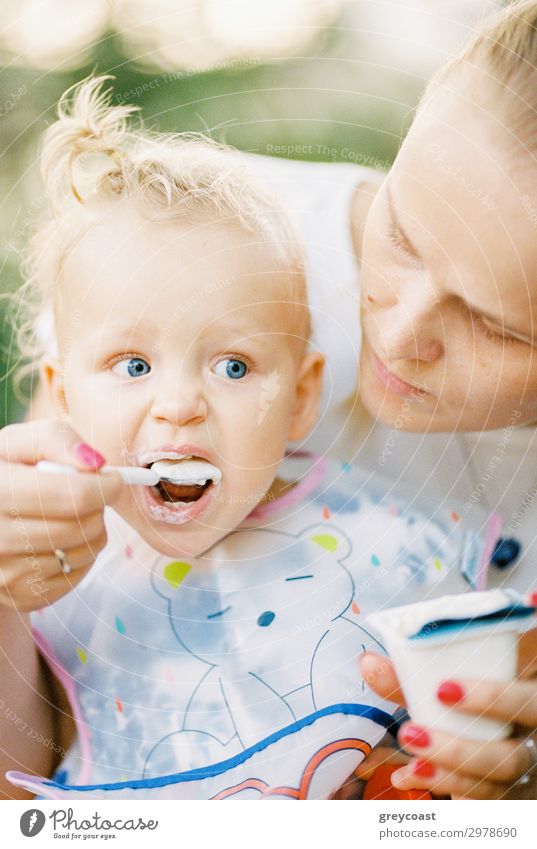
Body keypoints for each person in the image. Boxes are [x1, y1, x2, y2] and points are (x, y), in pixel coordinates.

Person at [4, 0, 537, 799]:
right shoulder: (194, 251)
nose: (396, 337)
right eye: (400, 233)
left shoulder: (436, 543)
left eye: (495, 328)